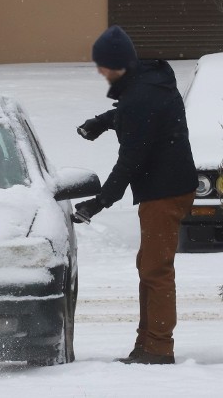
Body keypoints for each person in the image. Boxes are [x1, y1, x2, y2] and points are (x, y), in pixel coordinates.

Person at [73, 25, 198, 365]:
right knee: (149, 265)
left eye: (103, 64)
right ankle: (147, 343)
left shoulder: (142, 95)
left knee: (156, 270)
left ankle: (158, 348)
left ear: (118, 63)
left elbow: (131, 158)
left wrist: (98, 202)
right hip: (167, 184)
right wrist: (104, 120)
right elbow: (137, 117)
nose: (99, 70)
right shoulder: (147, 83)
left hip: (164, 190)